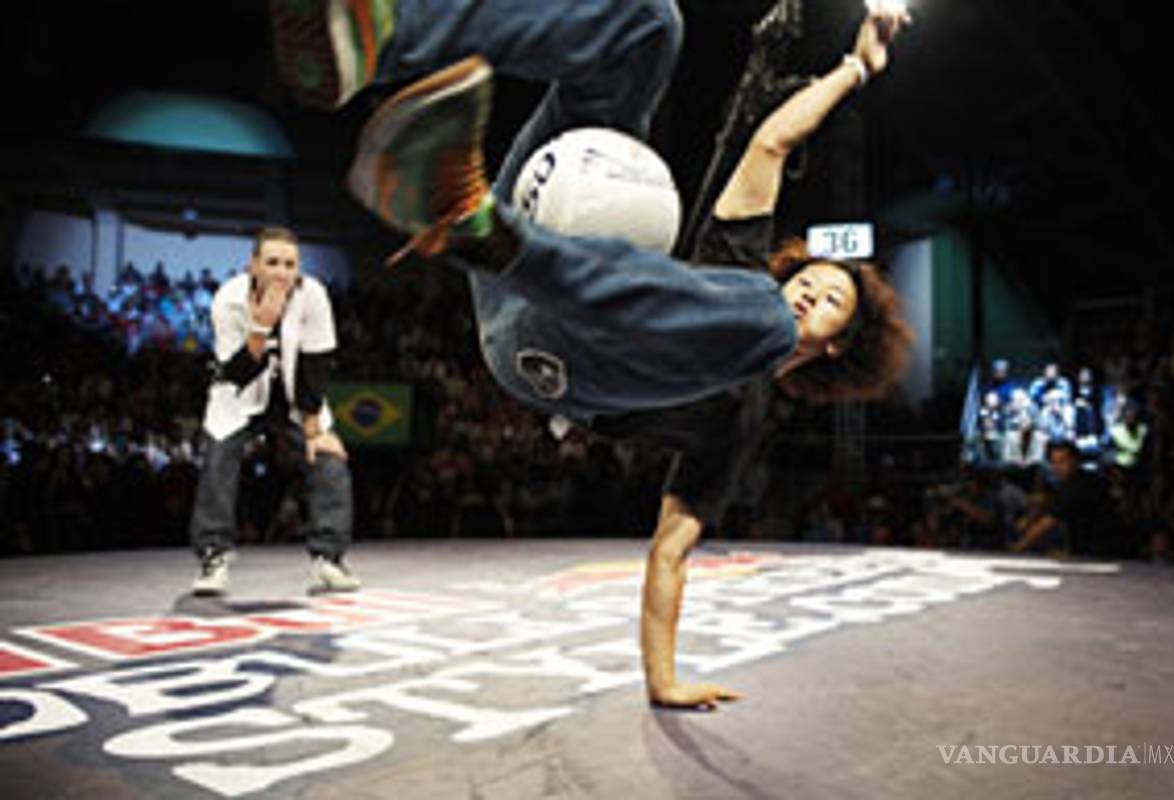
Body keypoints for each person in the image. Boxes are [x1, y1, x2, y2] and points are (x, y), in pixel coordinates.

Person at [272, 0, 911, 708]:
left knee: (759, 323)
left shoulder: (739, 414)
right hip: (530, 227)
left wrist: (664, 680)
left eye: (829, 301)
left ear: (838, 345)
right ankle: (379, 37)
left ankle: (480, 229)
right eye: (810, 280)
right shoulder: (742, 263)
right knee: (650, 27)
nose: (807, 292)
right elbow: (771, 144)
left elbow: (671, 550)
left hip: (542, 353)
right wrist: (857, 66)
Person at [188, 226, 360, 595]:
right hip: (240, 397)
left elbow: (317, 363)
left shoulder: (313, 295)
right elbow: (235, 373)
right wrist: (260, 327)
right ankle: (213, 555)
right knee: (218, 461)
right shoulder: (228, 300)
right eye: (272, 262)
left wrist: (314, 430)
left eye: (289, 264)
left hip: (296, 398)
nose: (282, 272)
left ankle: (329, 558)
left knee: (329, 460)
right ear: (253, 265)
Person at [1010, 441, 1125, 558]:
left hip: (1099, 552)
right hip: (1092, 550)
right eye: (1054, 462)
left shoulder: (1077, 487)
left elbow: (1047, 523)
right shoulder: (1076, 482)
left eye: (1063, 461)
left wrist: (1018, 547)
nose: (1057, 467)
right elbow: (1051, 503)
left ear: (1076, 461)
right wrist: (1029, 517)